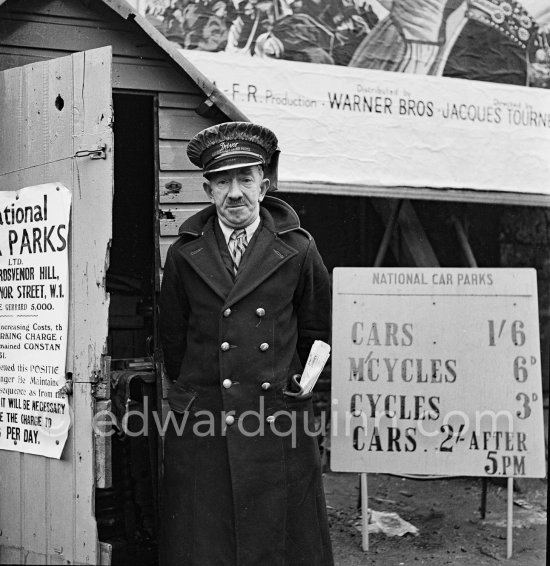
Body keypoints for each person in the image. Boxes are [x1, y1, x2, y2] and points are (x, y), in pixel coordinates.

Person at [159, 121, 334, 566]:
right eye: (222, 181)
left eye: (245, 179)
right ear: (208, 188)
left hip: (275, 417)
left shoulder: (298, 248)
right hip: (207, 422)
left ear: (264, 184)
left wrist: (300, 388)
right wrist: (197, 396)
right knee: (207, 538)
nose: (234, 193)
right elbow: (173, 341)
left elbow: (319, 333)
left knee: (279, 540)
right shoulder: (183, 253)